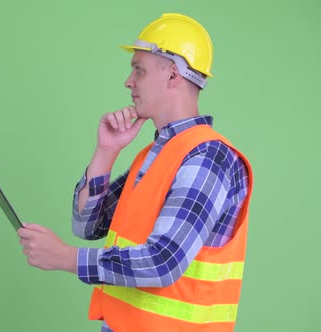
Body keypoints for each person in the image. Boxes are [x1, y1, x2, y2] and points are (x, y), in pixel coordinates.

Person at [17, 13, 254, 332]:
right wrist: (106, 152)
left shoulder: (207, 156)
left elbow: (162, 262)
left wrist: (65, 258)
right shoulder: (156, 154)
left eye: (138, 69)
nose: (128, 82)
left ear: (172, 75)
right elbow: (87, 227)